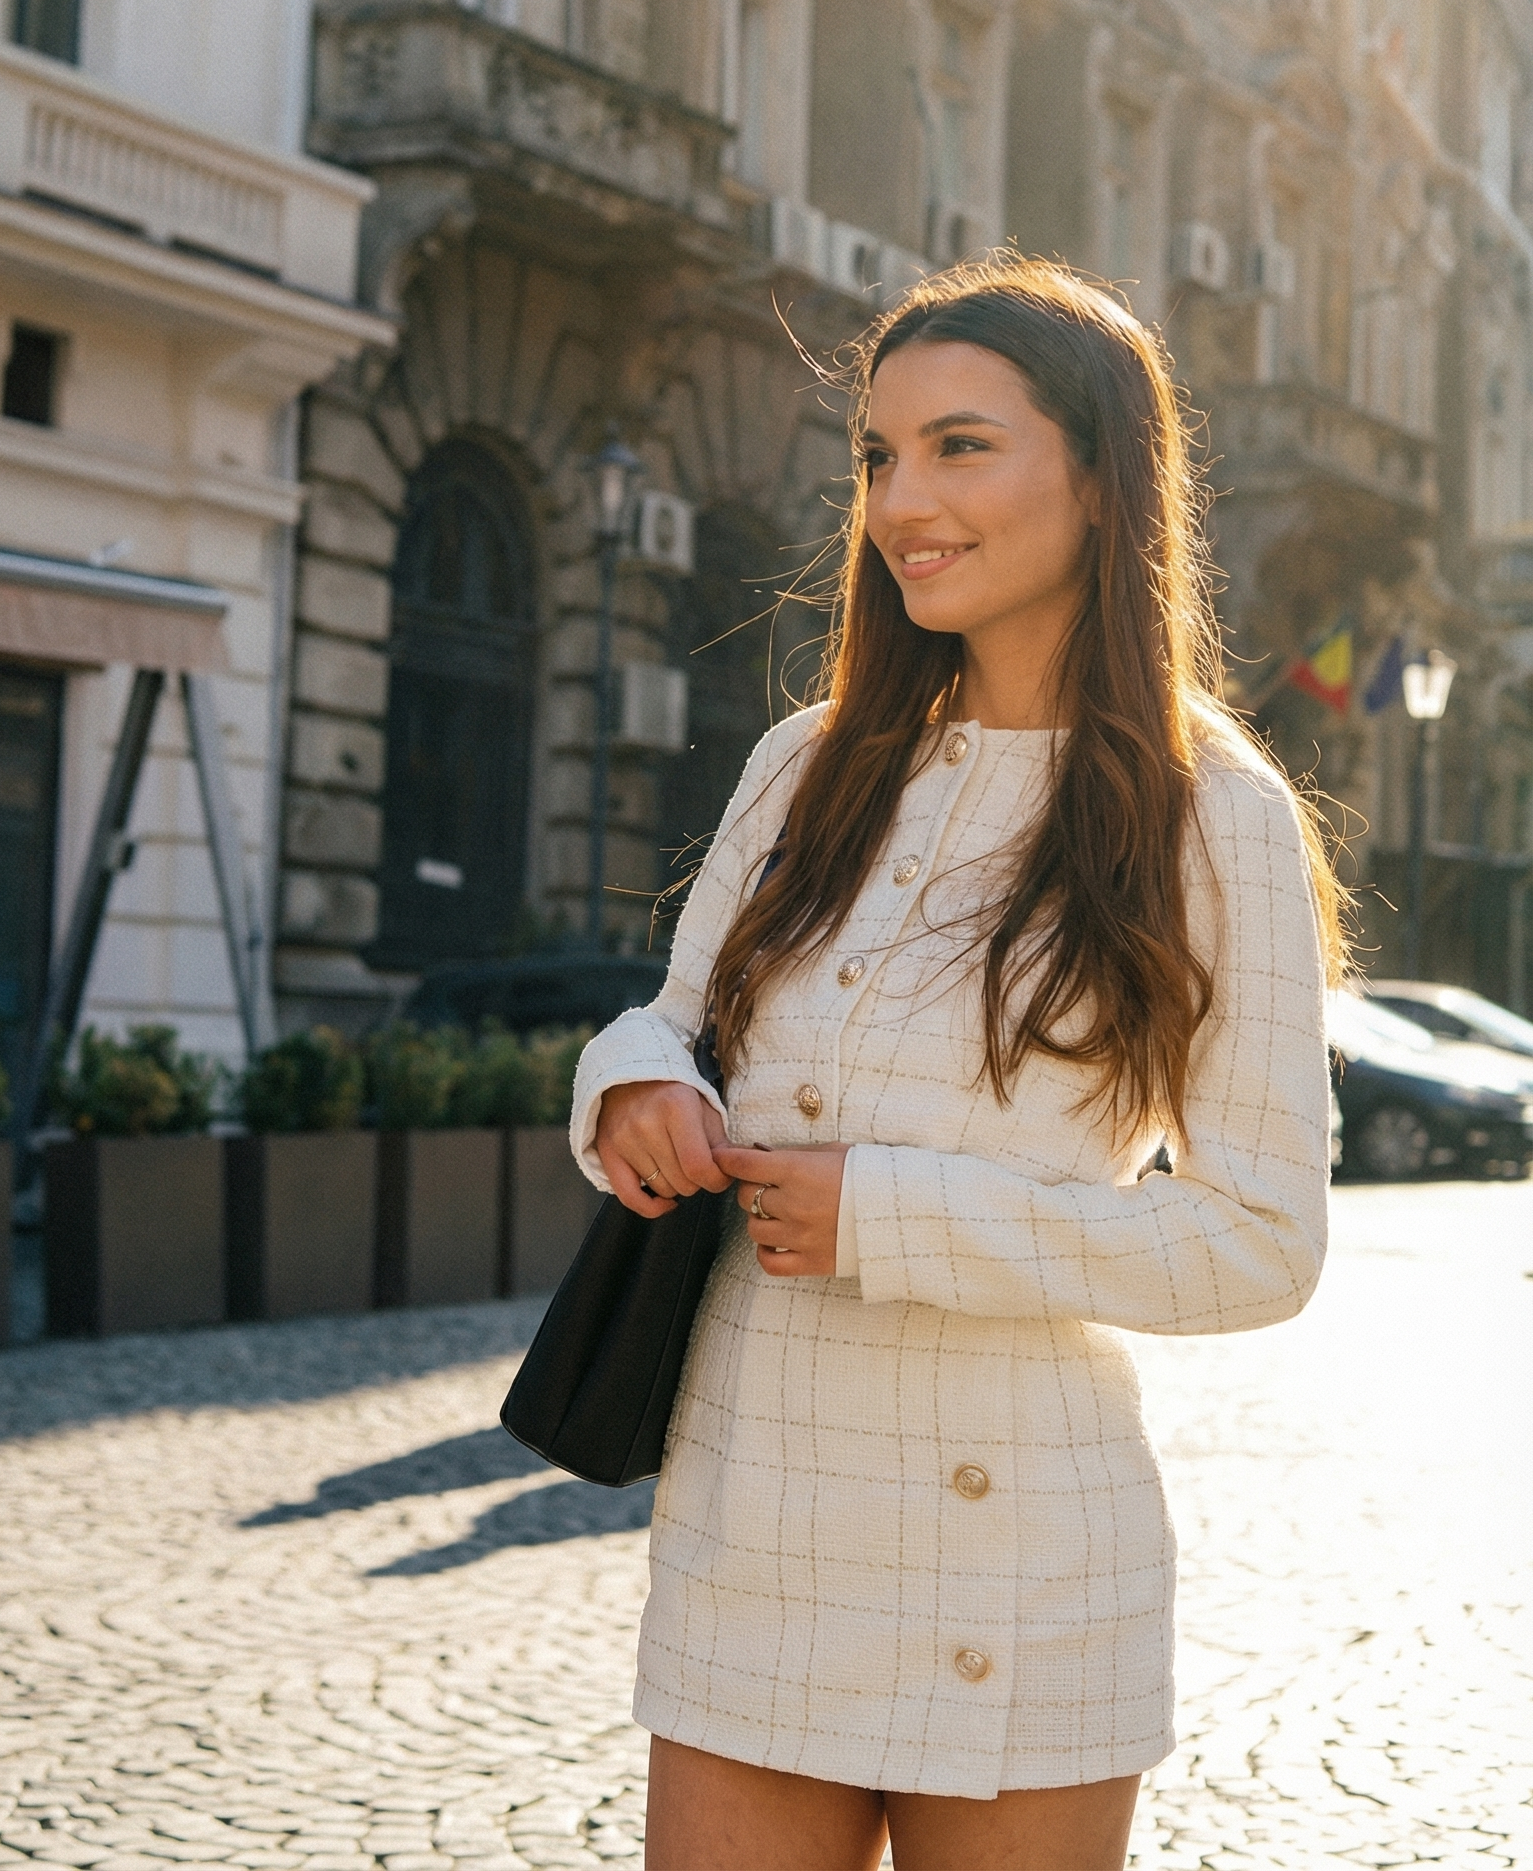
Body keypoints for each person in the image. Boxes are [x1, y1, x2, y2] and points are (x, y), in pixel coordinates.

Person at [570, 257, 1340, 1871]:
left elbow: (1263, 1241)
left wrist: (898, 1219)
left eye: (961, 447)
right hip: (754, 1527)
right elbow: (678, 1015)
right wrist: (635, 1087)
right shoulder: (807, 763)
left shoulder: (1215, 813)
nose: (901, 499)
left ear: (1099, 472)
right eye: (878, 456)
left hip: (1024, 1568)